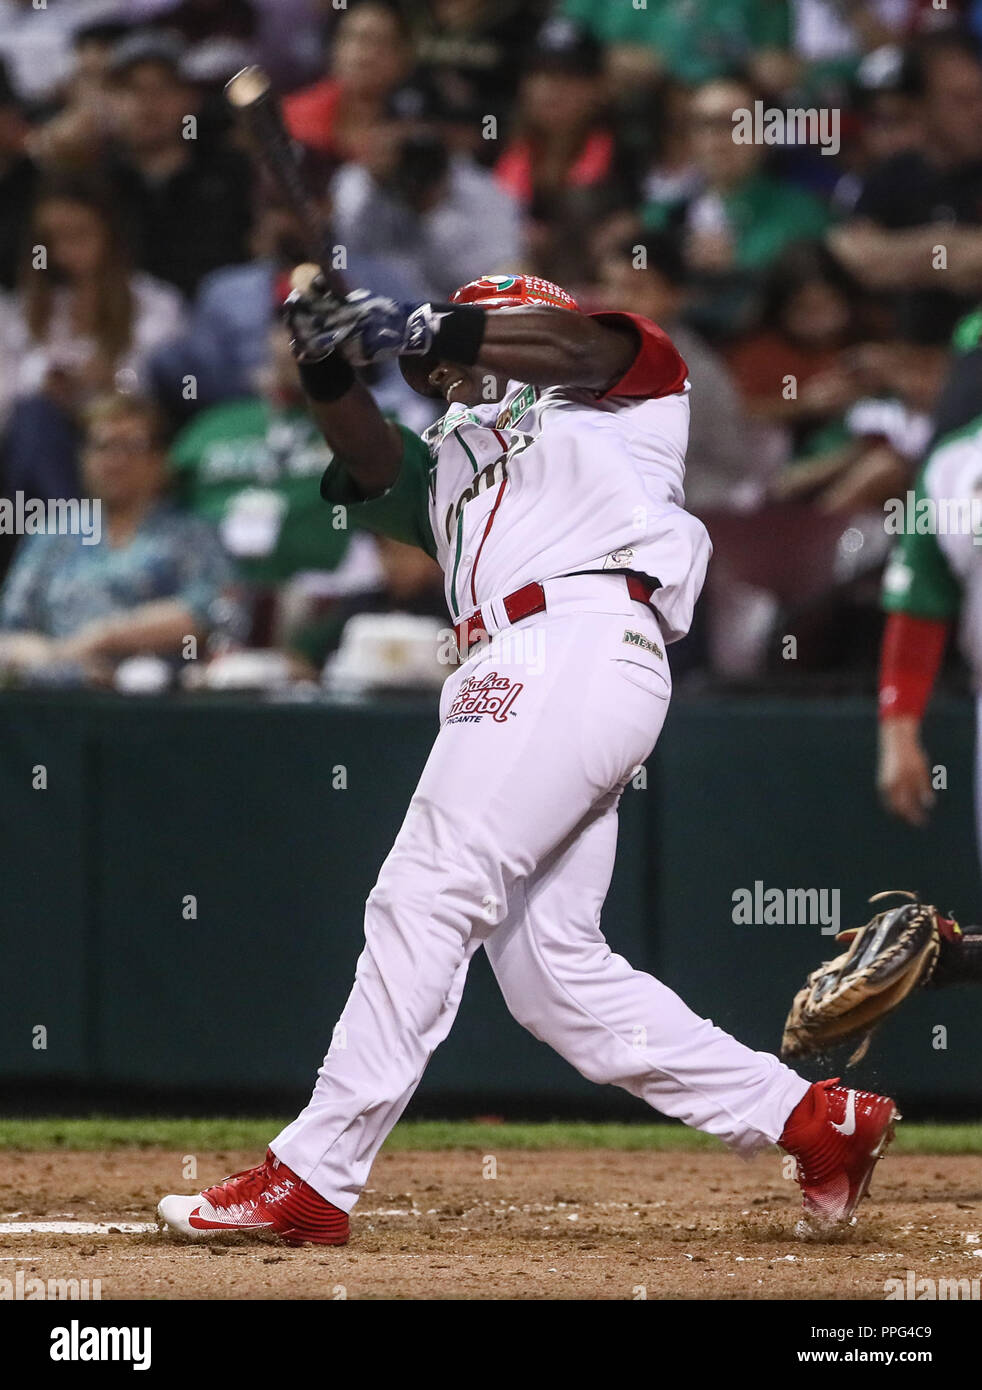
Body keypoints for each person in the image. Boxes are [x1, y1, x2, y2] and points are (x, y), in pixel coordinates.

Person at [158, 269, 899, 1244]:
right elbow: (370, 462)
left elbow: (566, 346)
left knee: (424, 891)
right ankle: (813, 1120)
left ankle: (313, 1174)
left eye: (491, 321)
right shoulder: (456, 455)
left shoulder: (620, 383)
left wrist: (428, 322)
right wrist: (327, 367)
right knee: (555, 975)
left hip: (572, 640)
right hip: (516, 668)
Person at [0, 392, 243, 684]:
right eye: (103, 446)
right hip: (55, 697)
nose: (115, 460)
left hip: (156, 695)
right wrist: (55, 659)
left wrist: (103, 638)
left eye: (131, 447)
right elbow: (10, 630)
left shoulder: (190, 534)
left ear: (158, 461)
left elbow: (207, 612)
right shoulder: (52, 533)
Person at [0, 175, 186, 499]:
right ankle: (69, 533)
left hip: (127, 433)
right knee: (35, 417)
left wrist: (113, 380)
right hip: (50, 440)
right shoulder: (23, 311)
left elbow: (169, 384)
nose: (65, 251)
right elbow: (8, 393)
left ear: (109, 234)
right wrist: (46, 383)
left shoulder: (155, 303)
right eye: (53, 240)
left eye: (79, 235)